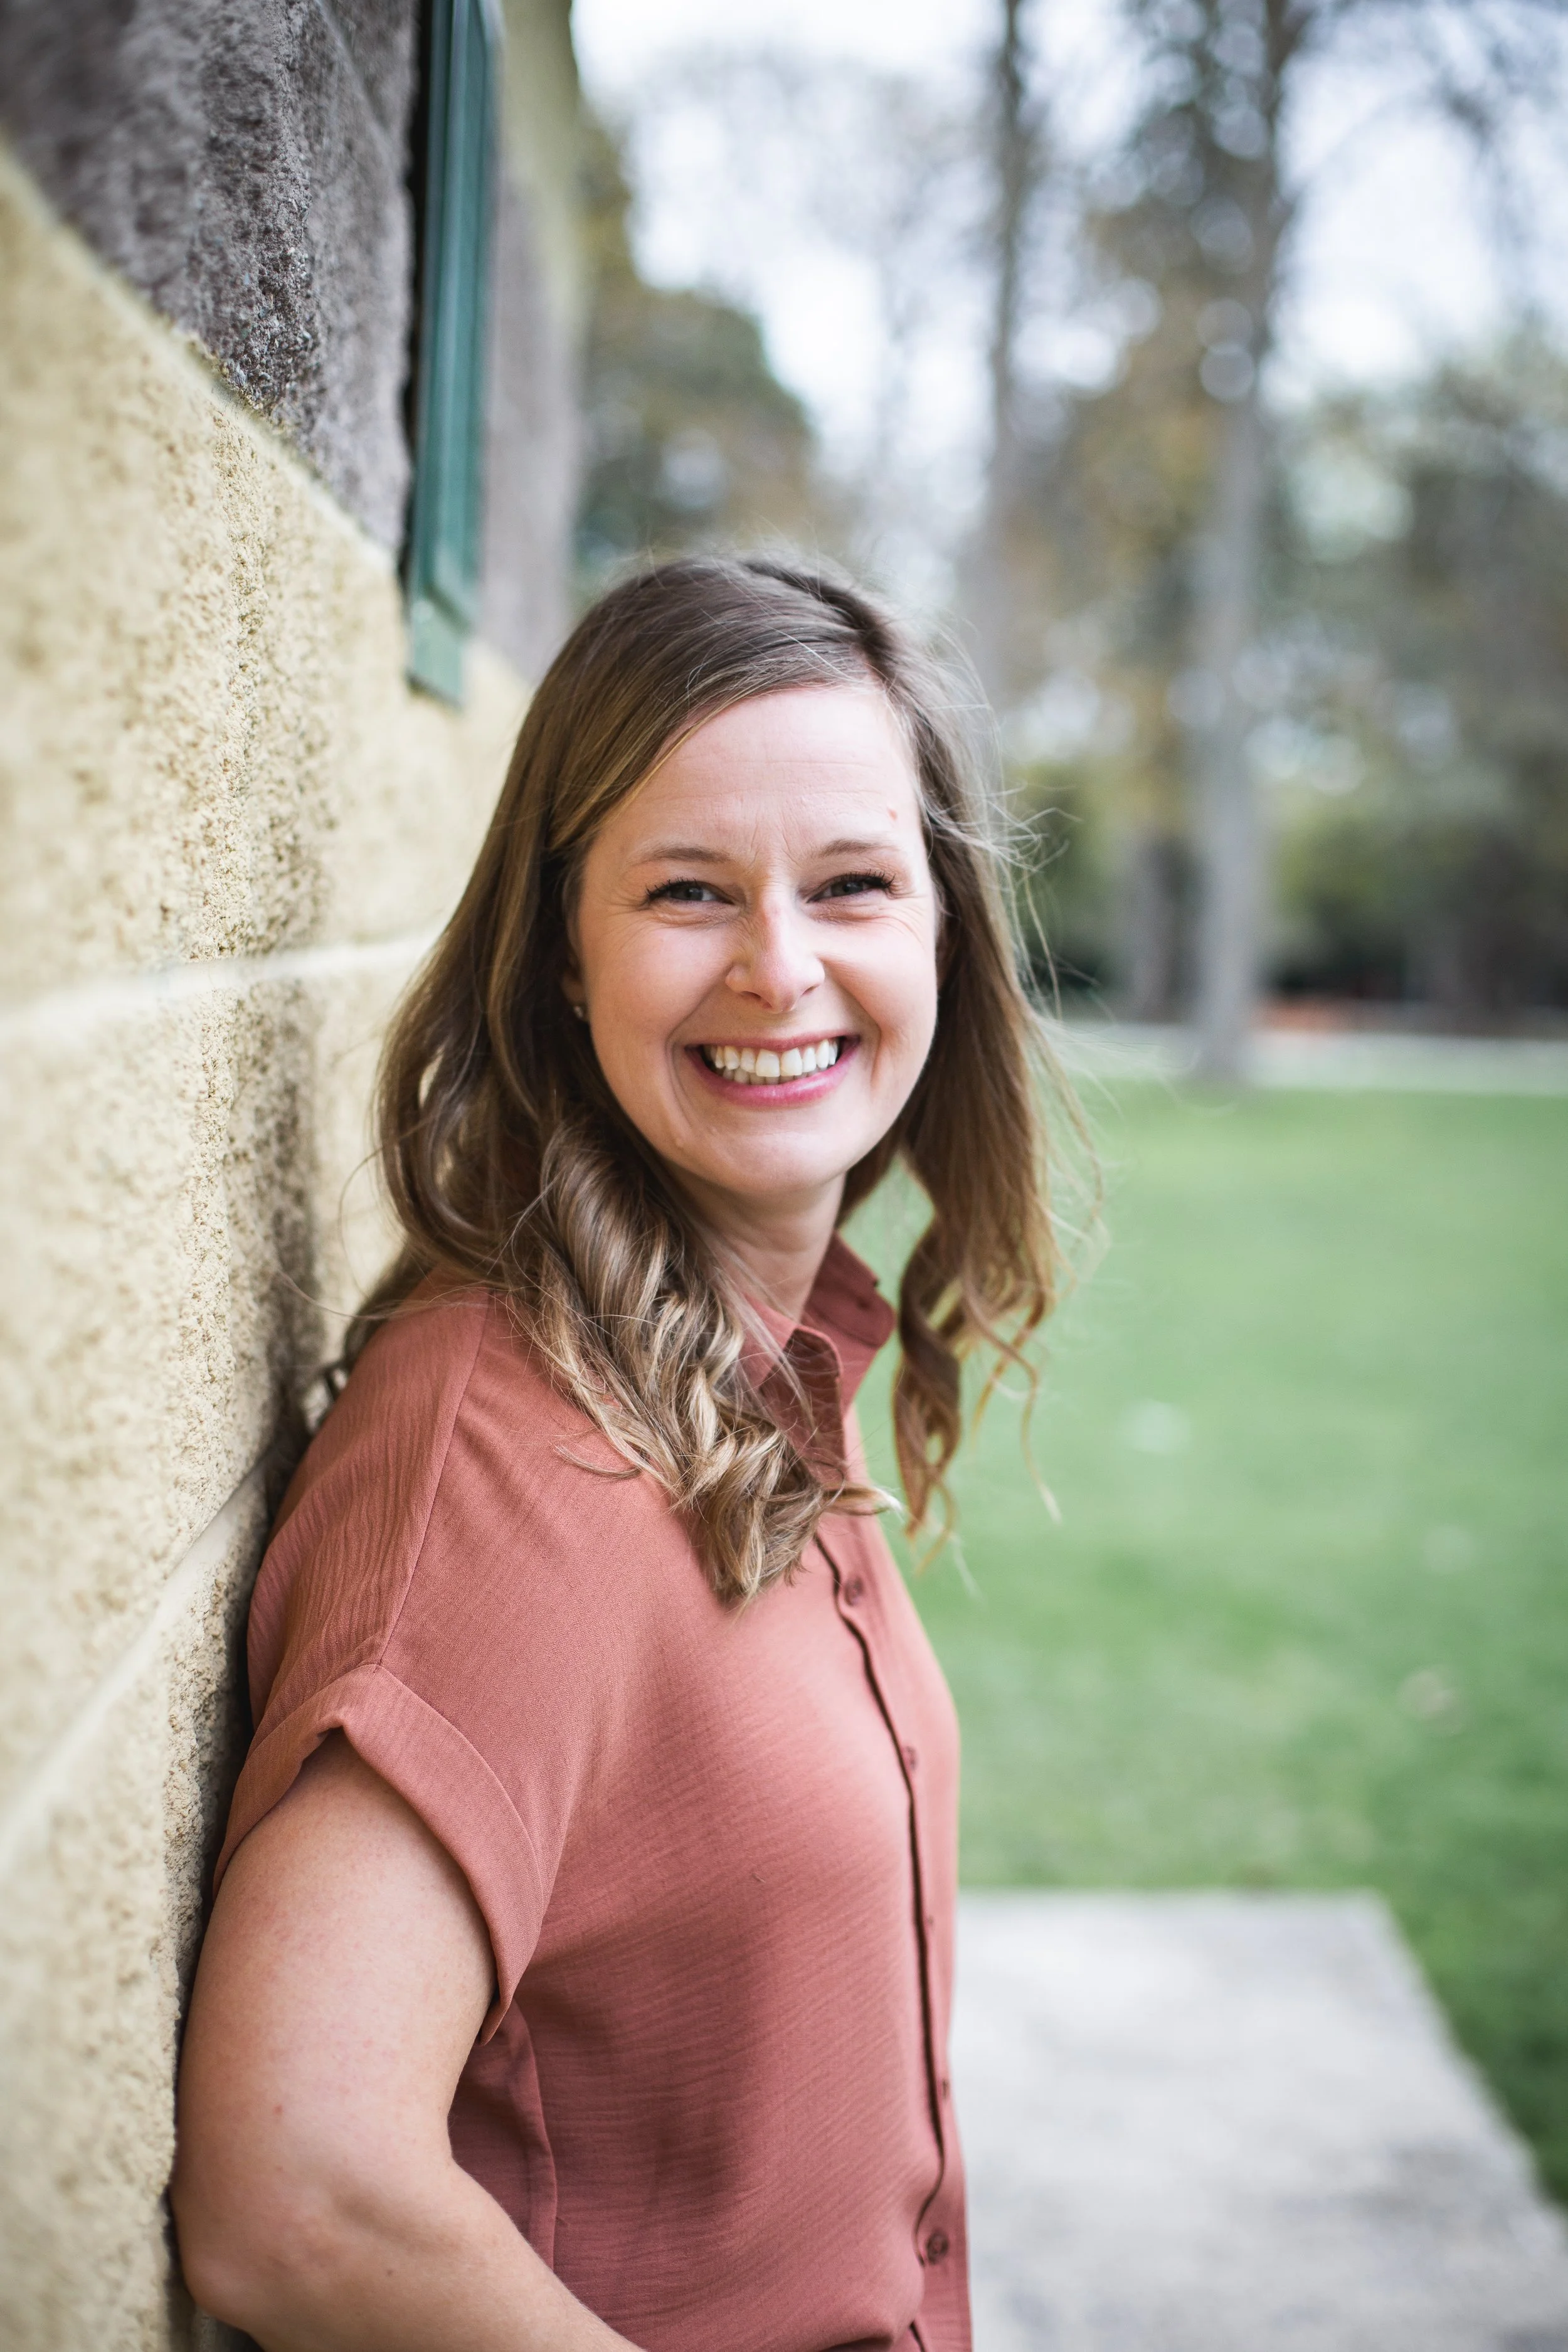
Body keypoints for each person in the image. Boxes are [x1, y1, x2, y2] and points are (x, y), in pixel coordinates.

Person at [171, 556, 1066, 2352]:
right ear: (563, 957)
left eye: (851, 885)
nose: (779, 965)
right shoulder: (500, 1455)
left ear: (942, 937)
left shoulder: (756, 1371)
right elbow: (296, 2191)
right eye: (685, 890)